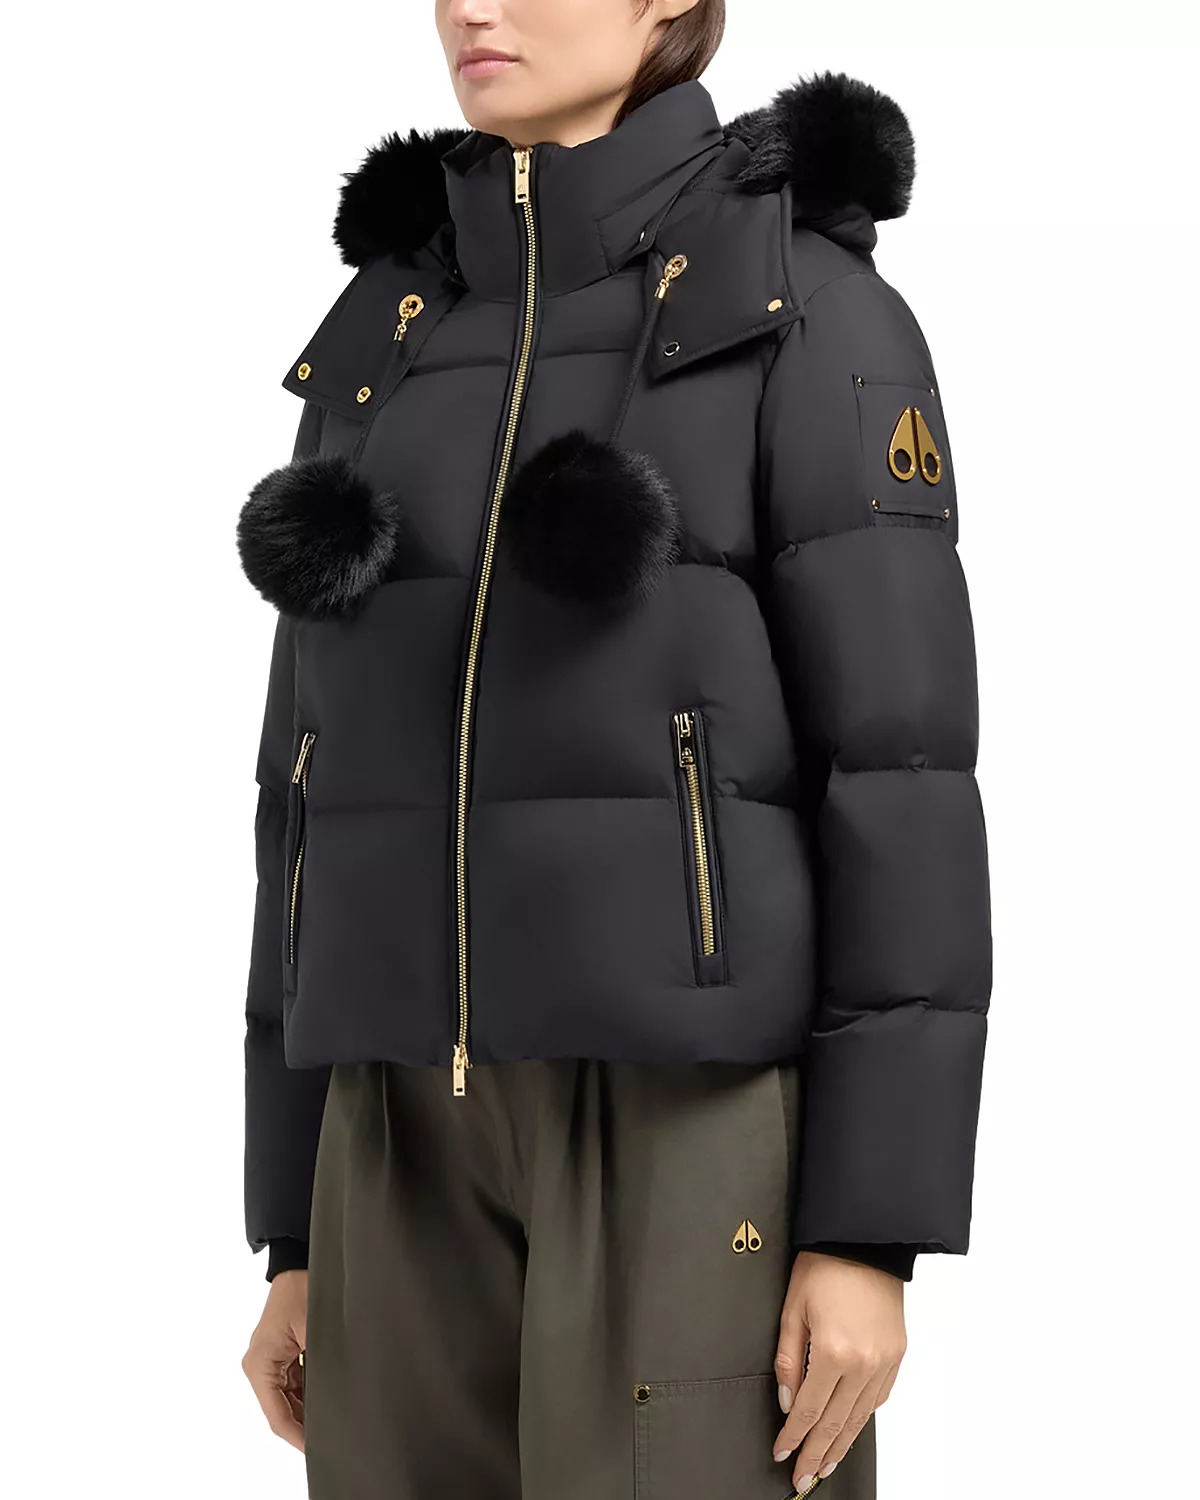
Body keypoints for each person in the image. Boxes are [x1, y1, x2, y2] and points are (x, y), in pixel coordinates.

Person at [236, 3, 992, 1496]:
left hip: (687, 1128)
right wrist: (295, 1228)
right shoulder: (389, 332)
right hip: (393, 1134)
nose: (472, 8)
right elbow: (301, 796)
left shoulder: (801, 309)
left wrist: (868, 1229)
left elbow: (903, 781)